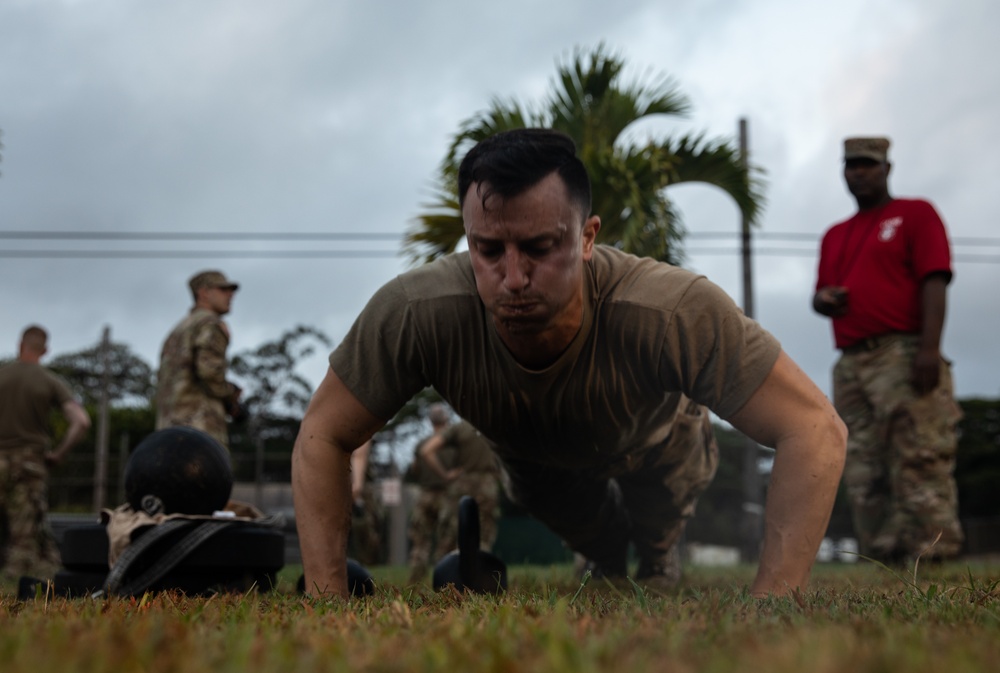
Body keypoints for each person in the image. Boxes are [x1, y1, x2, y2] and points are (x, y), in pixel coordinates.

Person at [293, 128, 846, 599]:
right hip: (536, 461)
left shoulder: (668, 309)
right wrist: (326, 598)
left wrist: (773, 602)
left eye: (539, 247)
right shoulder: (418, 312)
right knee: (598, 546)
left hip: (657, 445)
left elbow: (814, 427)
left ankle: (657, 557)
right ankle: (603, 556)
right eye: (488, 251)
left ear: (587, 238)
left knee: (656, 538)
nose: (513, 278)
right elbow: (323, 433)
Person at [813, 136, 963, 563]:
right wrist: (825, 300)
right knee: (862, 462)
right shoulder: (835, 234)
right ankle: (883, 553)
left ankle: (935, 550)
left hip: (903, 350)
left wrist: (929, 349)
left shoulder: (915, 214)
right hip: (851, 362)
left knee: (918, 453)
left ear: (886, 169)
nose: (858, 172)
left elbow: (934, 279)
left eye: (868, 164)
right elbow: (817, 294)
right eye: (851, 165)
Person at [0, 325, 91, 581]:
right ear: (45, 350)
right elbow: (81, 421)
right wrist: (59, 453)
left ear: (20, 345)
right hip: (28, 464)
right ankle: (14, 585)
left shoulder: (2, 376)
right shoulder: (50, 382)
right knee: (25, 532)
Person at [155, 270, 242, 450]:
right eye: (223, 289)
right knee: (208, 477)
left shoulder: (178, 330)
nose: (230, 295)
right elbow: (209, 372)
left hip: (167, 431)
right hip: (200, 429)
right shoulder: (210, 324)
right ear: (203, 293)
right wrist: (231, 395)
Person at [417, 404, 500, 570]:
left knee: (453, 530)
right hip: (488, 484)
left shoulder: (460, 428)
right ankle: (481, 573)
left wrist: (445, 475)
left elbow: (427, 451)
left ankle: (444, 573)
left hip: (462, 484)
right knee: (484, 531)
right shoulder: (494, 428)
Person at [405, 404, 455, 582]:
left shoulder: (422, 444)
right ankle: (445, 579)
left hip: (424, 495)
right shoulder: (452, 443)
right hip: (447, 496)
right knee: (447, 540)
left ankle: (416, 581)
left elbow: (415, 469)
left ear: (430, 420)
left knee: (420, 542)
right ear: (446, 419)